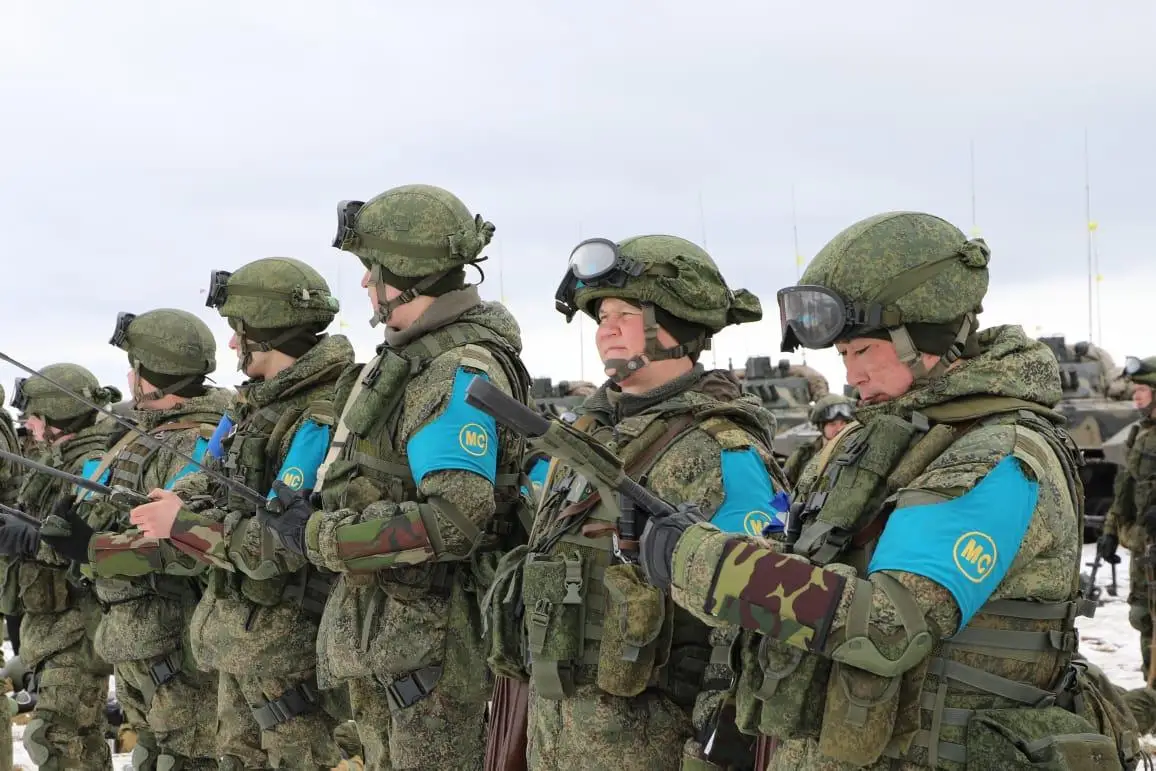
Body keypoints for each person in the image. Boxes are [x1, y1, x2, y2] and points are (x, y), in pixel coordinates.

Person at [641, 211, 1138, 769]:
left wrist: (704, 562)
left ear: (925, 340)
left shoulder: (999, 455)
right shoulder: (878, 440)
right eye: (843, 356)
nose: (852, 375)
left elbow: (889, 625)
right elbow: (812, 567)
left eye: (863, 351)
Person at [256, 184, 534, 770]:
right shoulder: (415, 361)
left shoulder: (452, 373)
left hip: (433, 658)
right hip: (399, 647)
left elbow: (453, 520)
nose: (364, 282)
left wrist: (319, 536)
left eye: (372, 269)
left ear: (406, 273)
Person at [485, 233, 788, 770]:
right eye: (602, 315)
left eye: (626, 313)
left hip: (652, 744)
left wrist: (715, 751)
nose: (606, 328)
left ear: (679, 323)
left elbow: (753, 624)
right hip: (557, 737)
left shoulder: (721, 451)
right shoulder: (584, 437)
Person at [127, 258, 354, 769]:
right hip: (240, 639)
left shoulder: (317, 418)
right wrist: (176, 503)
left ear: (267, 332)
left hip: (288, 651)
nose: (231, 344)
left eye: (239, 331)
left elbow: (281, 543)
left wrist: (182, 526)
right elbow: (203, 476)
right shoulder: (249, 408)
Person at [39, 308, 230, 770]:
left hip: (175, 644)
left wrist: (94, 548)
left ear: (154, 374)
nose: (129, 377)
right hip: (134, 638)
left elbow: (185, 546)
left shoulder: (197, 442)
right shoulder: (142, 437)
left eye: (135, 366)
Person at [1, 365, 118, 770]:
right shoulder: (61, 459)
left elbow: (91, 540)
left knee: (56, 738)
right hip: (52, 626)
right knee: (76, 741)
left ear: (56, 415)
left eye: (34, 416)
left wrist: (30, 539)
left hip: (78, 625)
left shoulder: (91, 462)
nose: (28, 425)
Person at [1098, 354, 1156, 676]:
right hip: (1143, 547)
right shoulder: (1139, 434)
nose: (1135, 395)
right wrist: (1110, 530)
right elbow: (1125, 490)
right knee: (1142, 617)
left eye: (1142, 390)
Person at [781, 393, 856, 487]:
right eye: (832, 424)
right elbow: (784, 485)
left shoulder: (855, 453)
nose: (839, 429)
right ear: (821, 426)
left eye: (843, 423)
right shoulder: (803, 455)